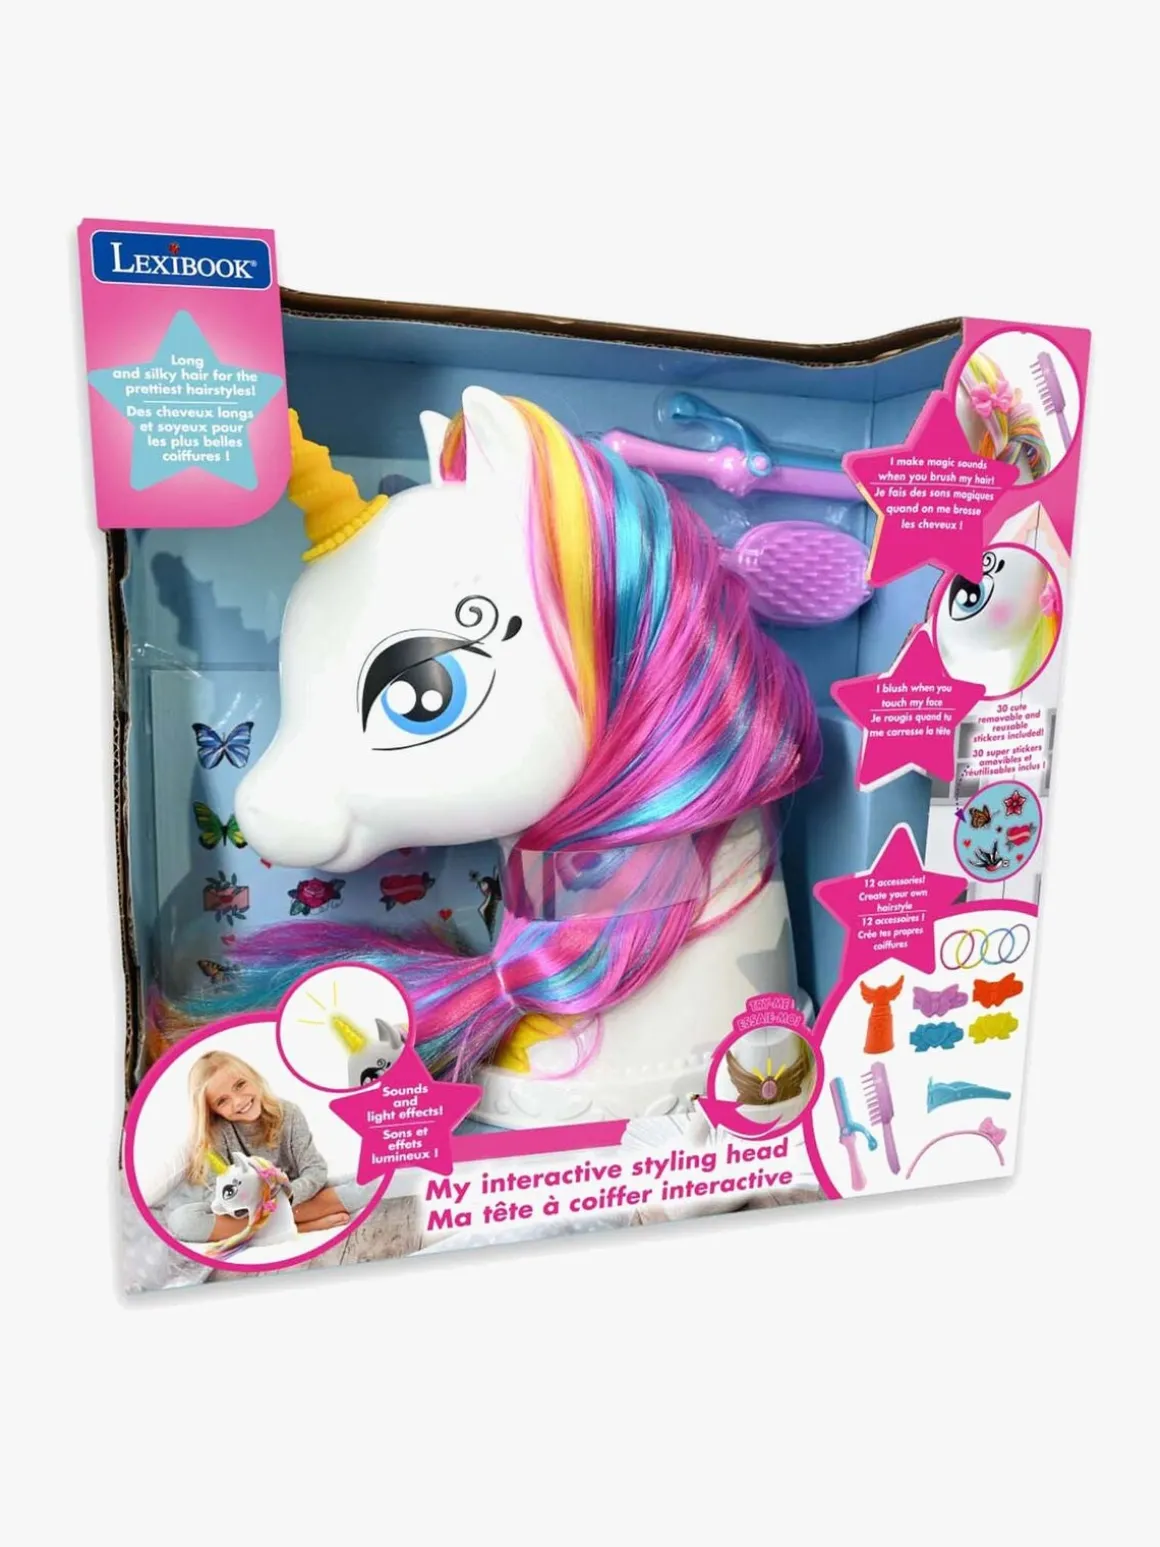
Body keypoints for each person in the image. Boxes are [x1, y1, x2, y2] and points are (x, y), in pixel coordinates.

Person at [164, 1051, 352, 1244]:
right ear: (212, 1110)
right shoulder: (214, 1136)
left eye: (240, 1085)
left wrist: (284, 1197)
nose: (238, 1101)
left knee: (362, 1184)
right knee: (183, 1222)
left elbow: (315, 1170)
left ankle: (284, 1222)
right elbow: (218, 1196)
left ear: (253, 1076)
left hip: (291, 1196)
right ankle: (302, 1225)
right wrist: (260, 1205)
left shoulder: (289, 1114)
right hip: (245, 1210)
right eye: (222, 1101)